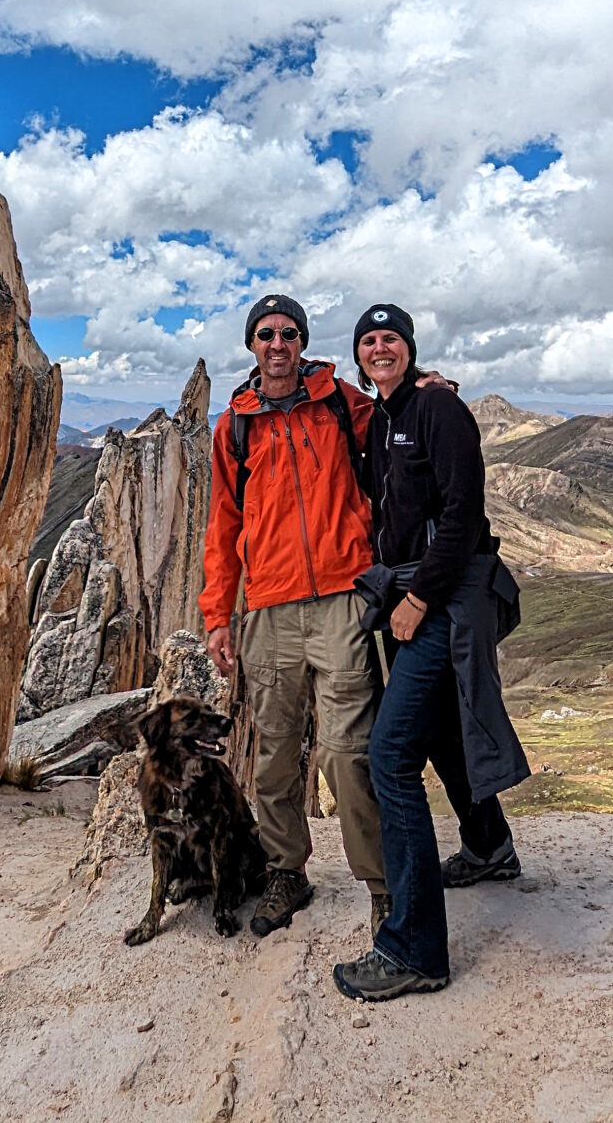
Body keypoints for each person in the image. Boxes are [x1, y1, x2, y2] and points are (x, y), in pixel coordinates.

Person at [332, 303, 532, 1002]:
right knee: (444, 730)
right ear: (360, 356)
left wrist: (418, 600)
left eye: (391, 339)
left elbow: (462, 515)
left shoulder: (437, 412)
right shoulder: (386, 415)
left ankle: (415, 949)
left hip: (440, 598)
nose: (379, 347)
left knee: (390, 757)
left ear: (409, 349)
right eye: (369, 340)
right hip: (411, 593)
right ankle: (488, 847)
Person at [200, 294, 390, 939]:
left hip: (341, 598)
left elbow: (395, 419)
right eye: (265, 335)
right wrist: (217, 613)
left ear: (302, 342)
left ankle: (381, 882)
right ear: (251, 346)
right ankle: (287, 870)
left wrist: (425, 386)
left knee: (347, 752)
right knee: (275, 753)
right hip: (270, 608)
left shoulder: (339, 401)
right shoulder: (235, 425)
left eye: (288, 334)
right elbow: (224, 524)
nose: (277, 344)